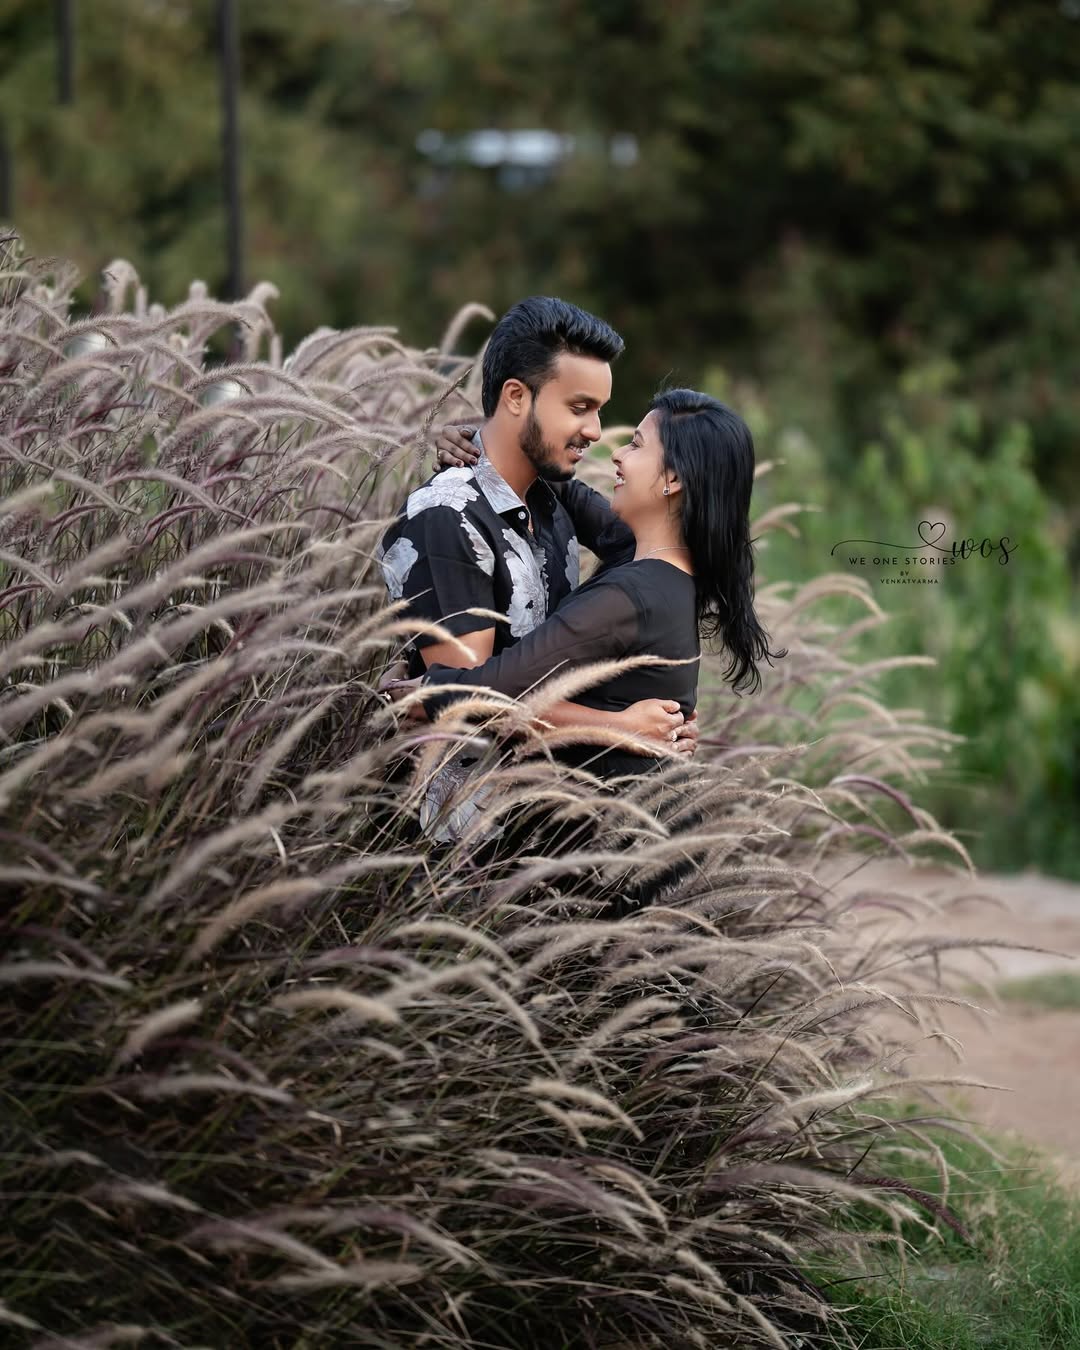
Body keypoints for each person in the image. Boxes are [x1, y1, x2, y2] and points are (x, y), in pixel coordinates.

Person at [386, 388, 787, 882]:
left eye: (636, 444)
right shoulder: (661, 566)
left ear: (673, 479)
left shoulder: (629, 595)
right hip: (636, 846)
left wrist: (414, 694)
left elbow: (497, 688)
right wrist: (481, 438)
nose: (616, 453)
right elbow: (560, 485)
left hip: (601, 862)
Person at [376, 296, 699, 840]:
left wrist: (668, 716)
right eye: (579, 407)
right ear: (516, 397)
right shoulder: (449, 518)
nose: (596, 431)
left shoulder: (551, 499)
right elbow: (464, 714)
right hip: (466, 840)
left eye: (598, 410)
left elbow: (658, 546)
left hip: (546, 822)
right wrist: (620, 728)